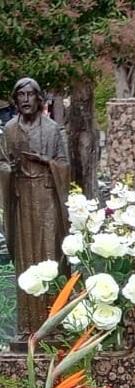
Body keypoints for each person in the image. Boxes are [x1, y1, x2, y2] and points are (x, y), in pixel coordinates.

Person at [0, 78, 71, 334]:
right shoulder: (9, 129)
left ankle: (54, 325)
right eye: (21, 95)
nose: (26, 99)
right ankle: (28, 325)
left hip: (47, 197)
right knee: (26, 258)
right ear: (16, 100)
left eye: (31, 94)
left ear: (39, 99)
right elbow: (2, 163)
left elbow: (64, 165)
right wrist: (10, 169)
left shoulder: (52, 129)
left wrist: (45, 162)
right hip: (21, 198)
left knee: (49, 254)